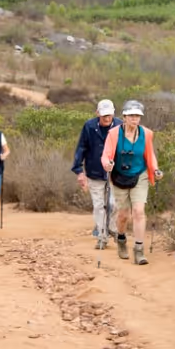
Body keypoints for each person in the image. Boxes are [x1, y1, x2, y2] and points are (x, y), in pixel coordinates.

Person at [100, 100, 162, 265]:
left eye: (138, 116)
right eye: (132, 115)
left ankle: (139, 250)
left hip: (139, 175)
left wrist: (155, 169)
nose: (135, 119)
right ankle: (121, 239)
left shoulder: (146, 133)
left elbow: (150, 154)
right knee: (123, 215)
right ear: (125, 117)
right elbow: (106, 154)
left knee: (139, 211)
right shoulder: (114, 134)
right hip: (119, 176)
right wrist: (107, 164)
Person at [72, 99, 121, 249]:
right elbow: (81, 148)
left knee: (113, 205)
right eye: (104, 115)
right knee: (99, 205)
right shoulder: (89, 126)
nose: (107, 118)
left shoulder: (120, 126)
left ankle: (111, 226)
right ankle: (102, 235)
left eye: (110, 115)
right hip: (94, 172)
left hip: (115, 174)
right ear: (97, 113)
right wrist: (79, 171)